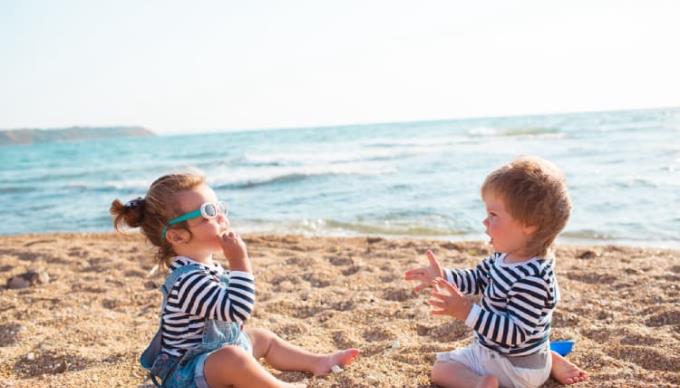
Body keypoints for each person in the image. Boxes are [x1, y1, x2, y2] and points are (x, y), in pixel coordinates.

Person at [111, 171, 359, 388]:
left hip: (215, 355)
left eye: (219, 208)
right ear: (177, 237)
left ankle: (318, 361)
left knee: (261, 338)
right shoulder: (186, 280)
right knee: (234, 358)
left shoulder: (206, 267)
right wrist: (240, 260)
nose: (221, 218)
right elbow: (237, 309)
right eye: (208, 212)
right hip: (187, 375)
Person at [405, 156, 587, 388]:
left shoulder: (533, 278)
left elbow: (515, 333)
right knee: (527, 345)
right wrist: (444, 276)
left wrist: (467, 311)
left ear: (529, 224)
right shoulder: (505, 257)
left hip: (512, 368)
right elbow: (477, 279)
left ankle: (481, 383)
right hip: (520, 358)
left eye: (493, 215)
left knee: (442, 369)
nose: (484, 221)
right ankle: (548, 360)